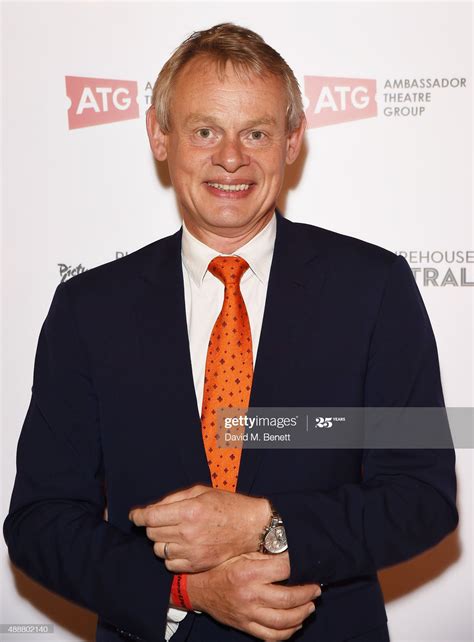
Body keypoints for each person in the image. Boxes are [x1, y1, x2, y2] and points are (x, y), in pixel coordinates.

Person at [3, 23, 458, 642]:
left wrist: (266, 524)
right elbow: (39, 520)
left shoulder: (376, 290)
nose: (231, 158)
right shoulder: (88, 309)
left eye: (257, 133)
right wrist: (184, 591)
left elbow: (422, 496)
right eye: (205, 130)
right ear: (159, 137)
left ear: (292, 141)